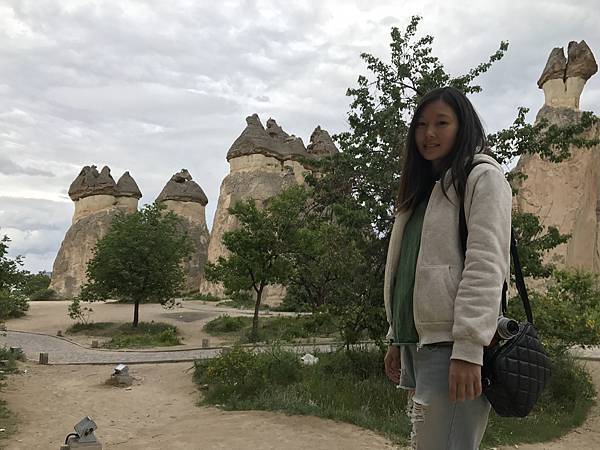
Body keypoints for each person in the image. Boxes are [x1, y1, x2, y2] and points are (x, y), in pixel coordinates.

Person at [383, 86, 512, 449]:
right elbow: (407, 273)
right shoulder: (423, 191)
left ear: (463, 126)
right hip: (420, 345)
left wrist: (470, 348)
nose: (429, 133)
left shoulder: (482, 178)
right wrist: (395, 337)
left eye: (442, 123)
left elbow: (486, 265)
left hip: (454, 345)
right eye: (421, 125)